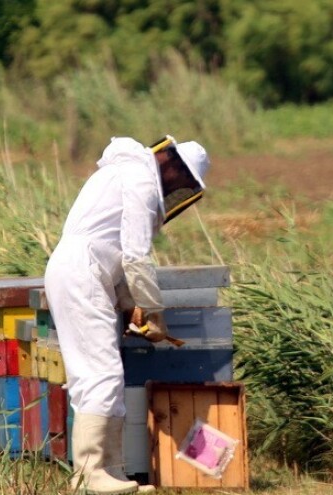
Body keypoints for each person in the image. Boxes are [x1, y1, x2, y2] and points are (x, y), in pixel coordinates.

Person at [44, 135, 210, 494]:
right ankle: (89, 474)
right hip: (81, 273)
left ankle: (112, 471)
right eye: (179, 182)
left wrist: (131, 306)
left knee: (106, 376)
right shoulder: (140, 178)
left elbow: (116, 258)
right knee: (99, 373)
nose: (175, 190)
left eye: (184, 188)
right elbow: (134, 256)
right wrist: (154, 312)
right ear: (169, 161)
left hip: (85, 272)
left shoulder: (125, 174)